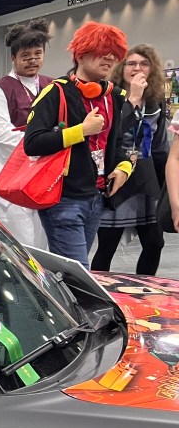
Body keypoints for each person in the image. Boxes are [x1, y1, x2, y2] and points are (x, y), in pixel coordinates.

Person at [24, 21, 133, 268]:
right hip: (64, 200)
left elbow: (118, 143)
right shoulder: (56, 92)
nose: (109, 58)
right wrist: (81, 131)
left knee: (72, 274)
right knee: (78, 274)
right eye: (102, 51)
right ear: (81, 54)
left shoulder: (114, 97)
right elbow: (32, 142)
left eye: (114, 53)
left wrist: (123, 168)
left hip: (97, 198)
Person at [91, 44, 170, 274]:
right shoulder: (110, 97)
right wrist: (133, 97)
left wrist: (167, 184)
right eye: (131, 63)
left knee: (155, 243)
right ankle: (99, 292)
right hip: (117, 175)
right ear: (121, 68)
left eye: (144, 64)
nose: (137, 68)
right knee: (107, 245)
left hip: (147, 177)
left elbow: (159, 145)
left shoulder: (156, 100)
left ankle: (143, 288)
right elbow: (110, 133)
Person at [0, 18, 53, 249]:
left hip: (45, 178)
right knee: (17, 247)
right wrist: (46, 143)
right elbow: (2, 134)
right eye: (26, 55)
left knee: (44, 245)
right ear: (13, 57)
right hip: (10, 179)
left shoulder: (53, 85)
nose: (32, 60)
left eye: (37, 54)